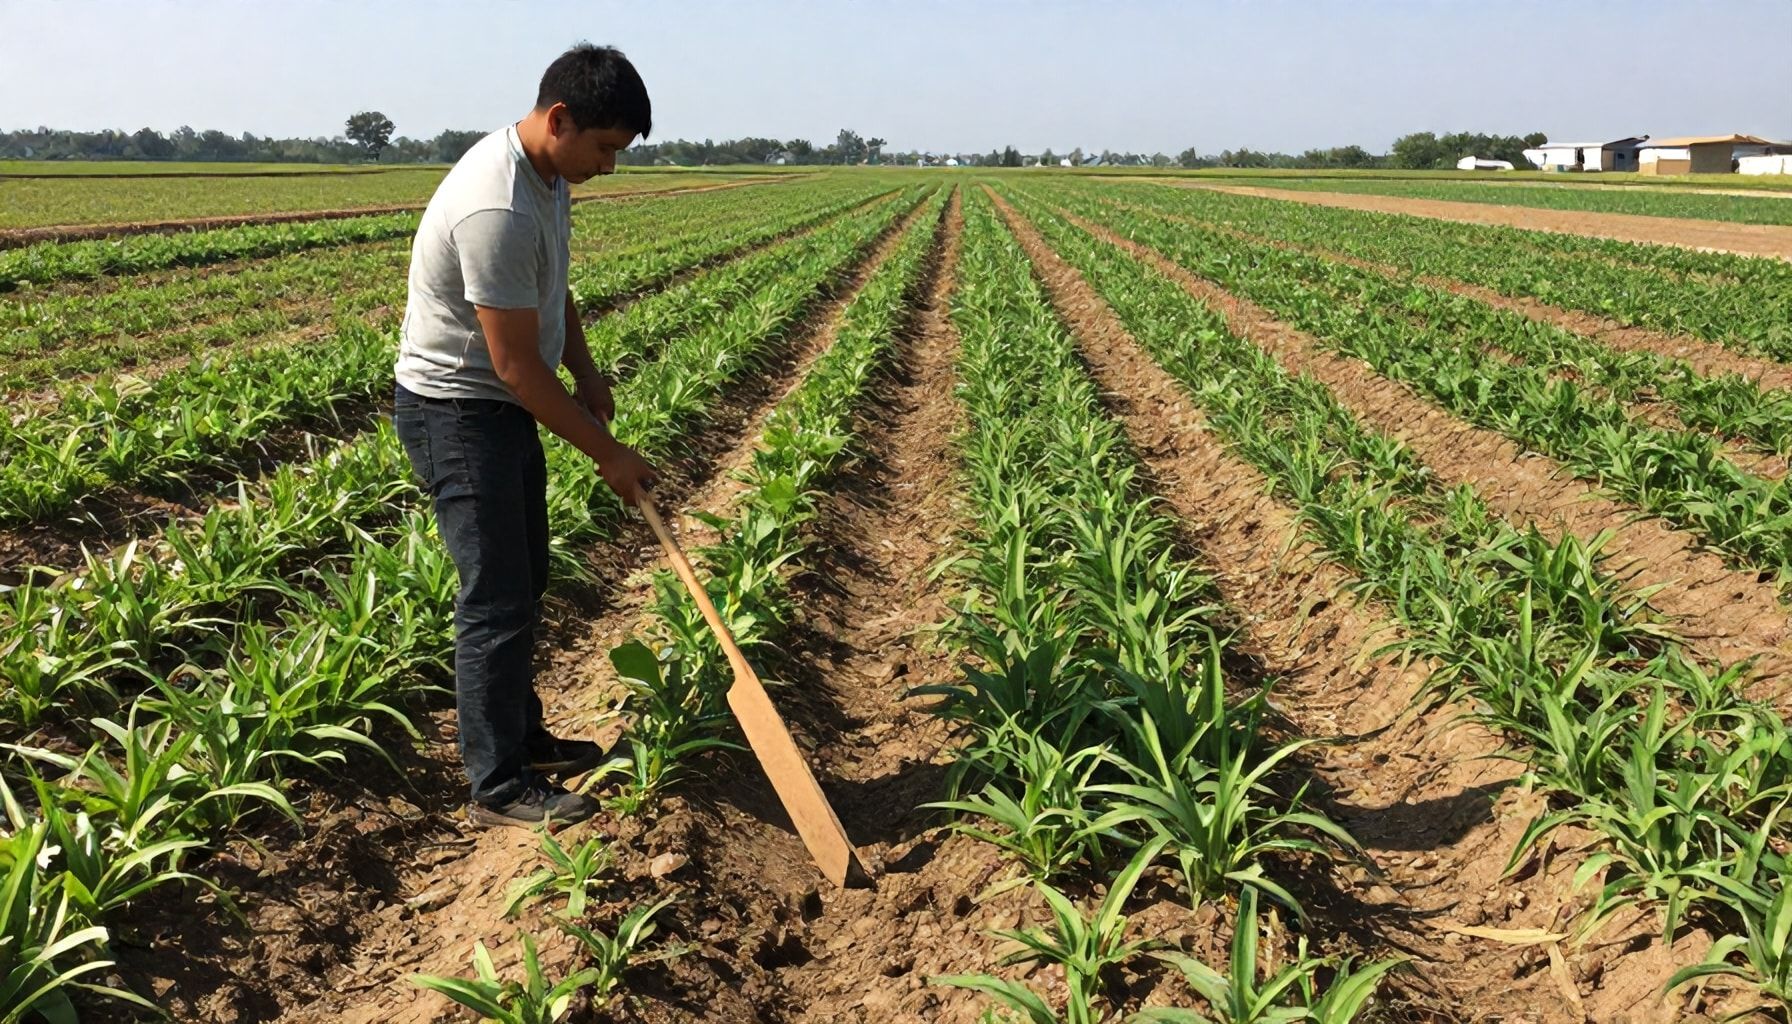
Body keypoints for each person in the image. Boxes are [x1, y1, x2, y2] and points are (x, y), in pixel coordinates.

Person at [392, 43, 660, 828]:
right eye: (605, 148)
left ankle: (525, 736)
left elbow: (553, 289)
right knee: (495, 597)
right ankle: (498, 783)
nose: (609, 167)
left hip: (499, 407)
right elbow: (513, 367)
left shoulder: (548, 177)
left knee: (526, 574)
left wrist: (586, 368)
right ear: (559, 118)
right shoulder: (495, 203)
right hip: (457, 411)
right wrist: (607, 453)